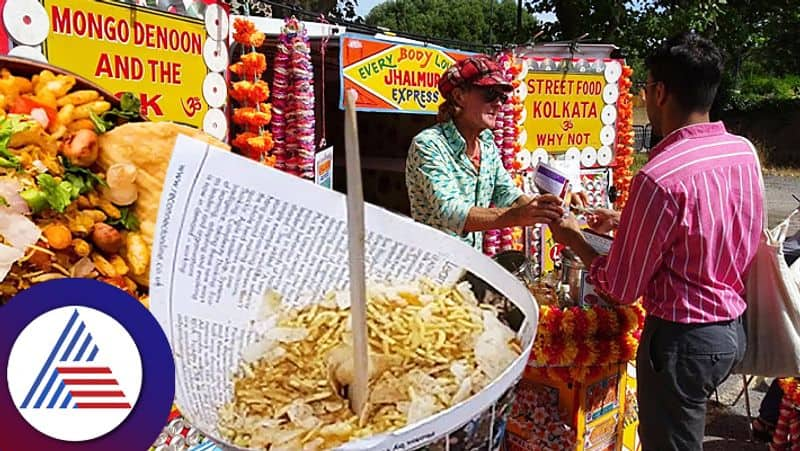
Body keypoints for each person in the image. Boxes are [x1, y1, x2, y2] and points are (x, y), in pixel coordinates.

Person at [549, 32, 763, 450]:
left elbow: (620, 288)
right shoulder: (742, 152)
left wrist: (572, 236)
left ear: (660, 92)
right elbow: (715, 226)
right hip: (732, 331)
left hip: (683, 341)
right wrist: (626, 221)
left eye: (645, 88)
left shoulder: (659, 176)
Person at [406, 55, 565, 251]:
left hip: (472, 264)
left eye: (502, 97)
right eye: (490, 94)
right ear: (459, 96)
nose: (499, 104)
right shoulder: (429, 144)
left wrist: (546, 209)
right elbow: (452, 213)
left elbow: (507, 192)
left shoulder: (487, 144)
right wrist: (518, 216)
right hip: (434, 266)